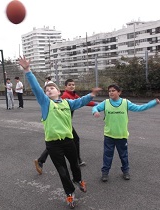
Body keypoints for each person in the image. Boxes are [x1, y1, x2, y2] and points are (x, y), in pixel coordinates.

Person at [18, 56, 101, 208]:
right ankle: (70, 194)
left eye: (52, 88)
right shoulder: (45, 103)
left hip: (68, 141)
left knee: (75, 165)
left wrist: (92, 95)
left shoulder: (67, 103)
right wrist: (27, 70)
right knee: (62, 171)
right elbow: (37, 88)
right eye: (47, 89)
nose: (49, 90)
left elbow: (80, 101)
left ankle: (78, 180)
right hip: (53, 144)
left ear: (58, 91)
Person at [92, 84, 160, 182]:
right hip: (109, 135)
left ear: (119, 92)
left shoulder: (125, 102)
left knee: (123, 155)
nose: (111, 92)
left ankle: (126, 171)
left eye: (113, 90)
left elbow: (139, 108)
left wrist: (153, 102)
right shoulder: (106, 102)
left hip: (122, 135)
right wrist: (95, 112)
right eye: (109, 91)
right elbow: (95, 108)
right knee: (107, 155)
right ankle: (105, 173)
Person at [34, 79, 98, 175]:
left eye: (73, 84)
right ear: (64, 88)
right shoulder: (64, 97)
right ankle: (77, 160)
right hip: (62, 125)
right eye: (69, 85)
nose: (72, 86)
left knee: (62, 142)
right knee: (72, 140)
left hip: (66, 124)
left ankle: (41, 160)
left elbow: (81, 101)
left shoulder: (73, 95)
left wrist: (99, 104)